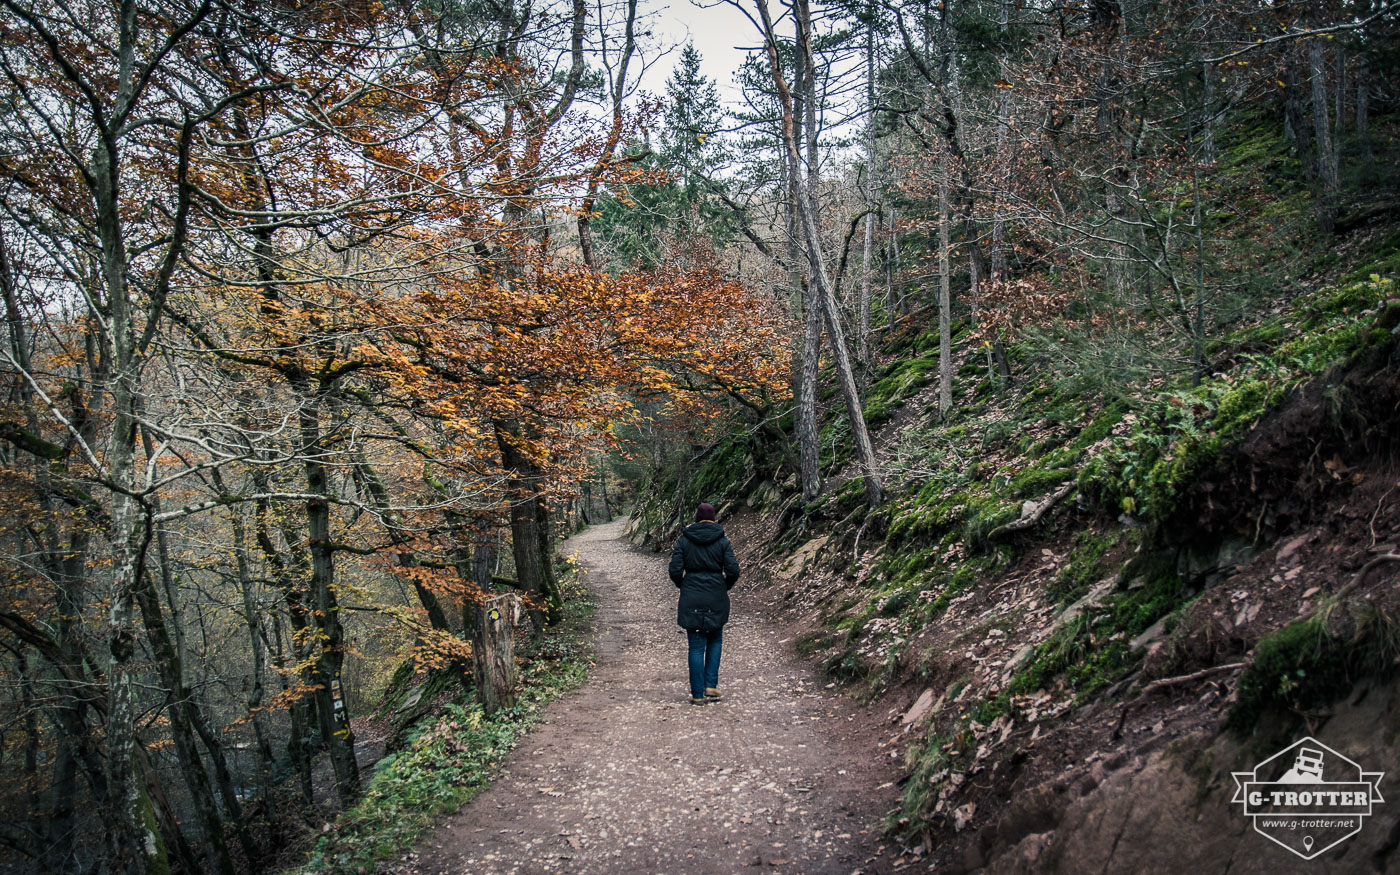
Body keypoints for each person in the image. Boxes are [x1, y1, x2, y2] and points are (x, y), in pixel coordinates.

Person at [669, 502, 740, 705]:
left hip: (692, 594)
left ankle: (697, 694)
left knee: (696, 647)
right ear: (714, 518)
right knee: (715, 639)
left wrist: (684, 585)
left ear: (696, 518)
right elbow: (734, 570)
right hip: (716, 594)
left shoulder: (684, 540)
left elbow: (674, 570)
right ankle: (711, 684)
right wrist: (724, 586)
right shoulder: (723, 541)